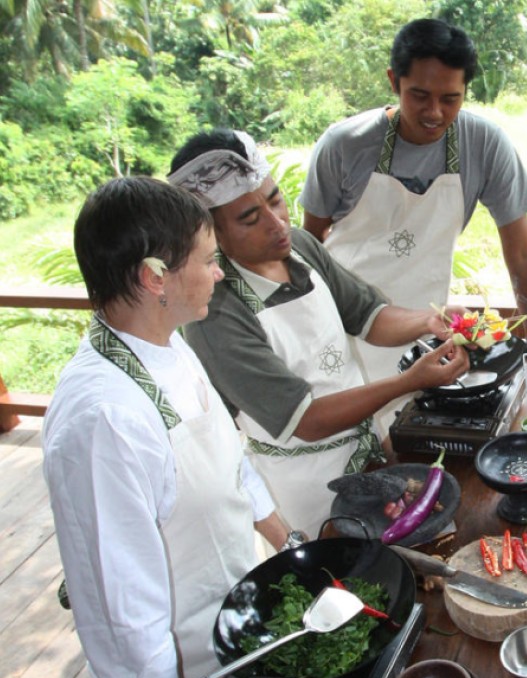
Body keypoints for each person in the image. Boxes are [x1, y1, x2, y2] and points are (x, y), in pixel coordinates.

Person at [43, 177, 291, 678]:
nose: (219, 273)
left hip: (239, 630)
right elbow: (125, 617)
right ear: (154, 277)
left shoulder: (170, 343)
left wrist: (293, 549)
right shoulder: (104, 420)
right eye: (207, 260)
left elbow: (232, 466)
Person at [169, 129, 469, 539]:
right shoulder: (216, 314)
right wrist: (408, 382)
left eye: (275, 199)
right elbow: (305, 419)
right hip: (307, 487)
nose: (277, 224)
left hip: (368, 451)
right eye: (250, 218)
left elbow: (368, 316)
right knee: (344, 587)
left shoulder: (302, 248)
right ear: (213, 233)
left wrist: (429, 320)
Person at [300, 17, 527, 416]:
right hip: (342, 325)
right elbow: (308, 247)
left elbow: (520, 251)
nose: (434, 112)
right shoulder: (344, 144)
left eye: (450, 98)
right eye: (419, 95)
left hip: (421, 331)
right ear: (392, 81)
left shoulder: (483, 144)